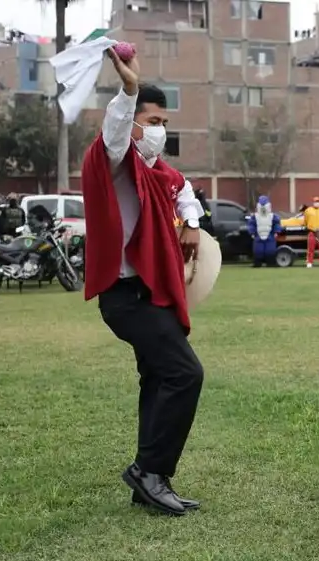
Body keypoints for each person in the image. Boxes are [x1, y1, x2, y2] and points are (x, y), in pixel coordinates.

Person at [80, 48, 207, 516]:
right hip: (124, 296)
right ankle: (149, 470)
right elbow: (115, 132)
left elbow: (185, 190)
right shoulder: (112, 163)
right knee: (185, 374)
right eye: (152, 120)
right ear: (133, 121)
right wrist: (129, 90)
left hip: (150, 293)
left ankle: (149, 482)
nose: (159, 131)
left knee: (158, 377)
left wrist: (191, 221)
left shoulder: (158, 172)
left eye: (165, 123)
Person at [247, 195, 281, 267]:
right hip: (258, 236)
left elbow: (276, 224)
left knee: (270, 250)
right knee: (258, 251)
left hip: (270, 236)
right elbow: (251, 225)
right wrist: (252, 232)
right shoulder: (255, 216)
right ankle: (257, 263)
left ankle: (271, 263)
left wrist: (276, 232)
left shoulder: (272, 216)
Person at [303, 196, 319, 268]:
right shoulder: (308, 210)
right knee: (310, 248)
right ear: (313, 202)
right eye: (315, 202)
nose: (317, 203)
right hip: (312, 232)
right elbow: (305, 221)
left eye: (318, 201)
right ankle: (309, 262)